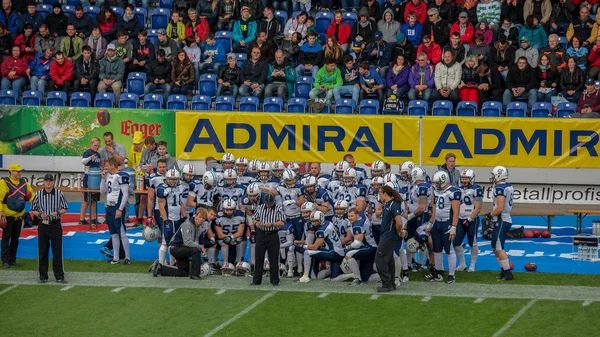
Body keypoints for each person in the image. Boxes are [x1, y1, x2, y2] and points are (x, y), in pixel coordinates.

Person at [151, 207, 212, 279]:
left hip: (182, 248)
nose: (201, 219)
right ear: (195, 216)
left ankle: (160, 268)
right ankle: (195, 274)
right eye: (200, 217)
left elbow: (194, 242)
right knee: (196, 250)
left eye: (203, 218)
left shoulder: (198, 227)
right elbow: (187, 242)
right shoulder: (187, 225)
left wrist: (203, 253)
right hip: (175, 248)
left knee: (183, 272)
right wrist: (200, 248)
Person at [31, 174, 68, 284]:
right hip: (43, 224)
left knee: (57, 251)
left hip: (55, 224)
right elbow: (34, 209)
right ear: (43, 182)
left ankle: (59, 276)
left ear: (53, 182)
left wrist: (57, 213)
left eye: (50, 181)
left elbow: (65, 207)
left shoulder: (59, 193)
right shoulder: (38, 194)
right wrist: (40, 215)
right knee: (42, 251)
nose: (48, 183)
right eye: (46, 180)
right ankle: (43, 277)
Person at [426, 170, 461, 283]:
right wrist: (430, 223)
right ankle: (439, 273)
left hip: (447, 222)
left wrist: (454, 227)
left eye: (437, 182)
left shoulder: (453, 191)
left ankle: (451, 275)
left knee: (449, 249)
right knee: (437, 249)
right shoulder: (437, 191)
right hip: (437, 223)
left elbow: (456, 212)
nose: (436, 185)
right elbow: (435, 209)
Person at [0, 164, 34, 269]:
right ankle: (5, 260)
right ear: (11, 171)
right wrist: (0, 211)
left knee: (15, 239)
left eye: (20, 171)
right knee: (6, 238)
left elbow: (31, 196)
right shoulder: (4, 182)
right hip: (8, 216)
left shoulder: (24, 183)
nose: (19, 173)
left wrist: (38, 205)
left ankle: (12, 259)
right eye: (17, 171)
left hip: (19, 216)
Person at [100, 158, 132, 265]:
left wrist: (120, 209)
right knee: (113, 234)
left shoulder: (121, 176)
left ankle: (127, 258)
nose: (106, 167)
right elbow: (102, 190)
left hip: (116, 206)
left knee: (121, 233)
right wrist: (103, 179)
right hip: (109, 207)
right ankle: (116, 257)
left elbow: (126, 194)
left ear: (112, 166)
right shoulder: (109, 176)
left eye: (107, 165)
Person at [251, 192, 285, 286]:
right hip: (261, 234)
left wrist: (272, 224)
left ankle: (275, 281)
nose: (268, 205)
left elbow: (282, 222)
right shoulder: (260, 207)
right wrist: (256, 223)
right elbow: (254, 218)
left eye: (270, 203)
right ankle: (256, 280)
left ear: (273, 201)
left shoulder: (278, 208)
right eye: (267, 203)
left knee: (274, 258)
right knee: (258, 258)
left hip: (273, 235)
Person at [374, 185, 403, 292]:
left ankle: (386, 283)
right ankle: (391, 283)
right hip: (387, 235)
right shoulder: (388, 205)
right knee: (389, 260)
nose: (380, 196)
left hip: (388, 236)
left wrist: (398, 231)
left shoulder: (393, 205)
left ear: (385, 194)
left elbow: (399, 221)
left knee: (379, 259)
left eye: (380, 194)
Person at [488, 165, 515, 281]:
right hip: (503, 219)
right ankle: (503, 270)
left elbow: (500, 207)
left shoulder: (500, 188)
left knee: (498, 246)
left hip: (502, 219)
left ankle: (508, 273)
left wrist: (490, 215)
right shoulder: (507, 186)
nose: (492, 177)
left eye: (494, 175)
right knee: (494, 246)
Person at [454, 169, 482, 272]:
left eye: (466, 178)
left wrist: (470, 219)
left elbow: (478, 207)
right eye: (463, 178)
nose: (464, 180)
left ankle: (472, 265)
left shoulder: (476, 188)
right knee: (456, 242)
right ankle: (462, 264)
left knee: (472, 242)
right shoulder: (457, 188)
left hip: (472, 219)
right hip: (461, 218)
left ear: (472, 179)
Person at [80, 137, 101, 225]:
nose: (97, 147)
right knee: (87, 200)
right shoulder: (88, 152)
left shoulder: (98, 154)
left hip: (96, 178)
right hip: (89, 178)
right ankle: (82, 219)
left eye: (98, 146)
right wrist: (90, 158)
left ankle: (93, 218)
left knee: (94, 200)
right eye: (95, 145)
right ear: (91, 144)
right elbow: (83, 161)